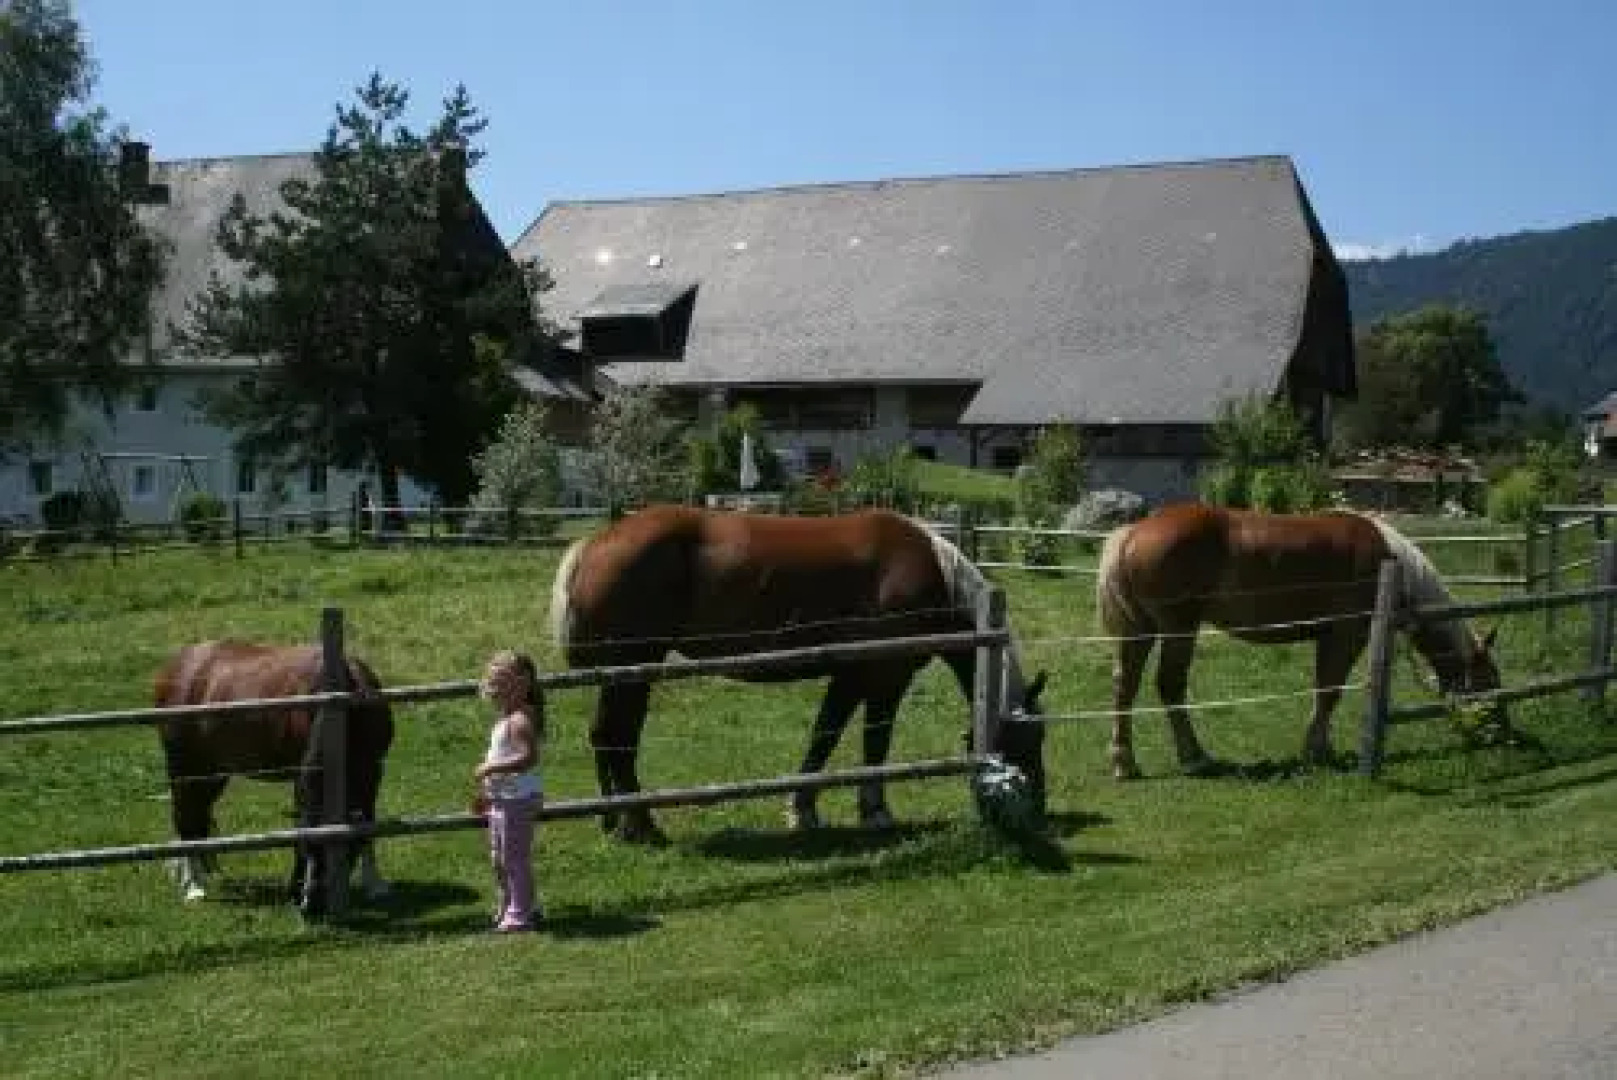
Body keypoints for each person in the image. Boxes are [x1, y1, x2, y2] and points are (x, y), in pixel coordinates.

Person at [474, 649, 544, 932]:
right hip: (504, 797)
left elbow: (529, 758)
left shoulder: (519, 721)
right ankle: (515, 904)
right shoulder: (508, 718)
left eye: (501, 686)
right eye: (494, 687)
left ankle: (520, 914)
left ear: (520, 686)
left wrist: (491, 768)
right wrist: (488, 795)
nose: (495, 693)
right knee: (500, 857)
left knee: (513, 858)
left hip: (517, 798)